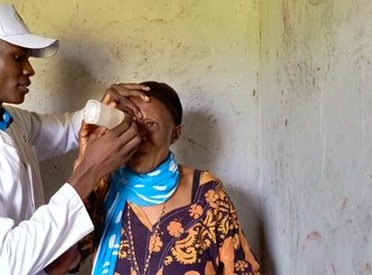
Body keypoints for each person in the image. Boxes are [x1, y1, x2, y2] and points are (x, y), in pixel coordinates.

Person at [0, 2, 150, 275]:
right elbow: (3, 261)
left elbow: (71, 129)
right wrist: (89, 172)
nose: (30, 69)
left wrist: (105, 110)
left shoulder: (12, 122)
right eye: (18, 57)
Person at [80, 81, 261, 274]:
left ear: (175, 134)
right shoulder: (105, 187)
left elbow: (243, 269)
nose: (138, 137)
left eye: (151, 125)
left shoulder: (208, 195)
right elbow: (60, 264)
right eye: (131, 124)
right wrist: (85, 164)